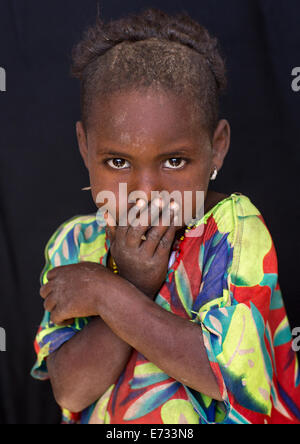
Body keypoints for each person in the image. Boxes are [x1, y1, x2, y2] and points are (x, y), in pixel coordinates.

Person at [31, 8, 300, 424]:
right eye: (118, 161)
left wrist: (112, 292)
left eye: (174, 160)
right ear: (85, 148)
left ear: (218, 147)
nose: (145, 191)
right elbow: (70, 388)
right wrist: (132, 279)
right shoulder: (75, 243)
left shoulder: (231, 230)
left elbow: (226, 379)